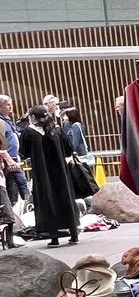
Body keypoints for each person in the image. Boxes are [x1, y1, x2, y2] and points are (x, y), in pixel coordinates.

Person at [20, 105, 78, 246]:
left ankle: (54, 237)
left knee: (48, 201)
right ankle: (74, 234)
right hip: (61, 174)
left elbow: (24, 153)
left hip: (42, 175)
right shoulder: (57, 129)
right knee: (66, 199)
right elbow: (69, 149)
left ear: (33, 117)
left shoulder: (29, 132)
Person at [0, 96, 27, 205]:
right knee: (14, 186)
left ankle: (26, 206)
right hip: (7, 160)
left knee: (20, 184)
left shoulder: (7, 120)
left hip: (13, 158)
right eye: (7, 104)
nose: (11, 106)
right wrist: (8, 159)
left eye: (11, 103)